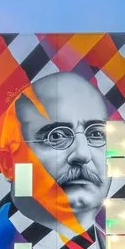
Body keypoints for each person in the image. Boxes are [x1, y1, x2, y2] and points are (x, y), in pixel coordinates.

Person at [12, 70, 113, 234]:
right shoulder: (2, 242)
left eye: (96, 134)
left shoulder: (117, 242)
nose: (82, 154)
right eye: (56, 136)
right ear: (8, 162)